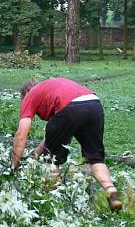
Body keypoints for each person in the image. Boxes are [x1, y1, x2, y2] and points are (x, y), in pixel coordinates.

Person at [11, 77, 122, 211]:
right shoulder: (51, 89)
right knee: (95, 157)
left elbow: (21, 135)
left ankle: (51, 198)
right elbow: (51, 140)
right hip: (94, 104)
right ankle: (111, 190)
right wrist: (33, 155)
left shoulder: (31, 95)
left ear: (26, 92)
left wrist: (14, 164)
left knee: (51, 159)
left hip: (71, 107)